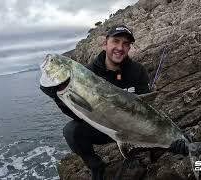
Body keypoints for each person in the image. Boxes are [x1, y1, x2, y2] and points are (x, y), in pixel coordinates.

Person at [40, 24, 188, 180]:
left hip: (134, 129)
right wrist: (58, 98)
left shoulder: (137, 71)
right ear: (105, 44)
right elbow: (81, 113)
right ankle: (96, 166)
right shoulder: (89, 73)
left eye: (126, 44)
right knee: (71, 131)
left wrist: (176, 138)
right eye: (116, 41)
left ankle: (142, 150)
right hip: (103, 127)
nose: (120, 47)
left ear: (129, 48)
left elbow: (148, 111)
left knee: (167, 140)